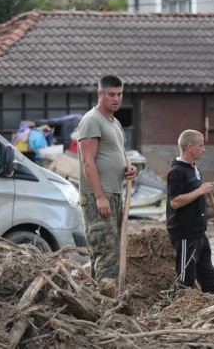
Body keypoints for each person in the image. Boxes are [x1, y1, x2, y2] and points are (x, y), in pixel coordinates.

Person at [76, 75, 137, 295]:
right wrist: (100, 196)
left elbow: (121, 154)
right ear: (100, 94)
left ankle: (100, 301)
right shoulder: (92, 120)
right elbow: (87, 162)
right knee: (106, 252)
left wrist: (129, 167)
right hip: (97, 197)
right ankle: (106, 307)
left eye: (119, 94)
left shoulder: (115, 122)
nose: (116, 99)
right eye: (111, 94)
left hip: (115, 194)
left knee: (115, 251)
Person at [166, 130, 214, 294]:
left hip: (199, 232)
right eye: (201, 145)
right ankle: (181, 312)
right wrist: (200, 191)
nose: (204, 149)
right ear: (190, 147)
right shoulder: (177, 172)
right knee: (185, 280)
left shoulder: (193, 169)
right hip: (184, 234)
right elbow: (174, 202)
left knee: (209, 275)